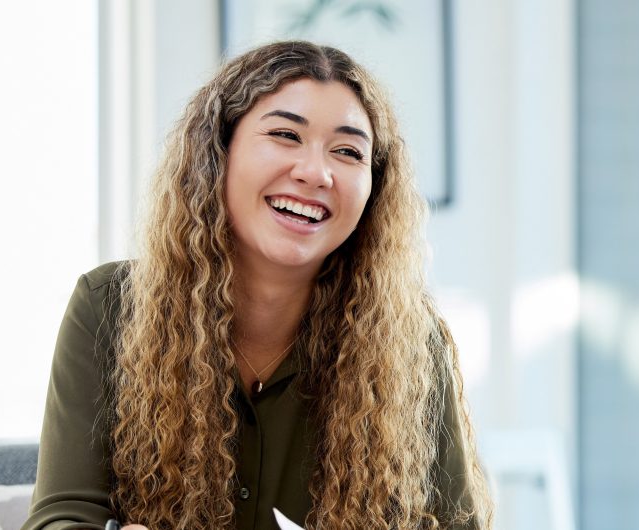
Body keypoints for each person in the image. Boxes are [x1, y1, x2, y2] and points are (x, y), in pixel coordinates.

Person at [24, 41, 490, 530]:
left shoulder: (412, 345)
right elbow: (62, 515)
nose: (316, 172)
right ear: (219, 153)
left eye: (348, 151)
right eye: (286, 135)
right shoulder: (109, 307)